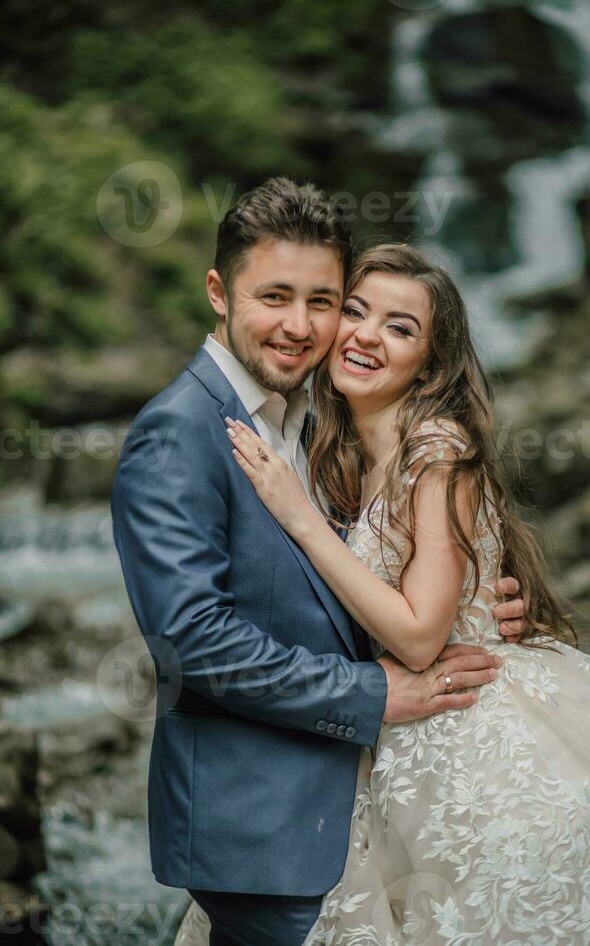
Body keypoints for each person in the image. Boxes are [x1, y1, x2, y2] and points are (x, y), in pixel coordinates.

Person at [111, 179, 525, 946]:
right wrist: (375, 695)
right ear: (218, 293)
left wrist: (477, 598)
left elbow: (370, 572)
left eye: (323, 301)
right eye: (274, 296)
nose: (299, 327)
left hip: (368, 816)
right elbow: (196, 644)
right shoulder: (180, 432)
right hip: (263, 829)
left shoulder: (320, 418)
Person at [216, 243, 590, 943]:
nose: (365, 334)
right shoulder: (343, 449)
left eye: (400, 327)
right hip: (387, 731)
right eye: (356, 312)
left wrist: (296, 515)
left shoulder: (437, 448)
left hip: (469, 730)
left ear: (433, 362)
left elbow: (421, 633)